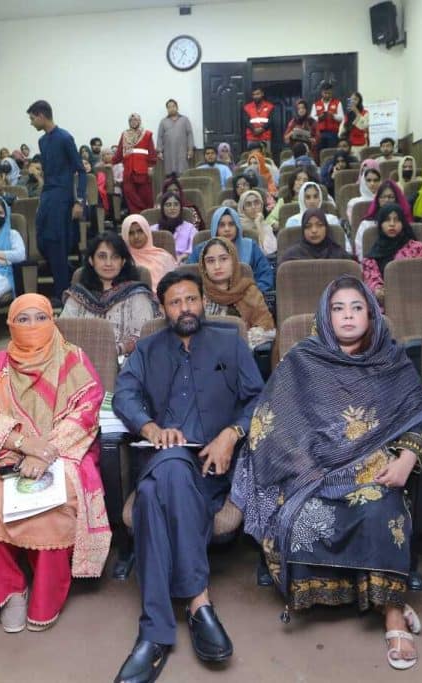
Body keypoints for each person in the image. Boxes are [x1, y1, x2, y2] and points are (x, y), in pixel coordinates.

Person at [232, 274, 422, 670]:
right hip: (310, 472)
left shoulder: (391, 361)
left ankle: (391, 611)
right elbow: (271, 424)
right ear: (326, 317)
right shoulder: (302, 361)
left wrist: (408, 458)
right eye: (338, 308)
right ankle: (336, 593)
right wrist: (307, 468)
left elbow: (421, 422)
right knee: (304, 512)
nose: (347, 316)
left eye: (357, 308)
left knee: (381, 506)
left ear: (372, 315)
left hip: (375, 471)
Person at [112, 271, 264, 682]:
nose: (186, 309)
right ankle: (199, 604)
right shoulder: (147, 348)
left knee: (153, 497)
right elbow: (124, 395)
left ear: (203, 302)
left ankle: (155, 634)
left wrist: (230, 436)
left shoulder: (229, 342)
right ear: (165, 309)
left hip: (213, 466)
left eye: (192, 300)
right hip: (165, 455)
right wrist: (150, 429)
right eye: (176, 303)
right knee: (171, 469)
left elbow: (260, 398)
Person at [0, 294, 111, 633]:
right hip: (9, 451)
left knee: (51, 505)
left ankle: (46, 596)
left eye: (39, 318)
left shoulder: (73, 358)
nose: (32, 326)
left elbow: (88, 409)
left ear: (52, 320)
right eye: (23, 319)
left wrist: (45, 452)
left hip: (67, 450)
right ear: (10, 325)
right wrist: (24, 444)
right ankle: (12, 589)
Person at [61, 232, 159, 358]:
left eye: (115, 257)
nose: (108, 263)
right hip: (80, 363)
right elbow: (63, 332)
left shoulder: (137, 295)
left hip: (126, 365)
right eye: (102, 256)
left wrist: (113, 351)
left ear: (123, 261)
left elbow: (144, 336)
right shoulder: (78, 296)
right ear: (91, 260)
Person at [27, 100, 87, 304]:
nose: (31, 122)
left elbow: (81, 170)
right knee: (43, 241)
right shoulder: (42, 142)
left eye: (32, 118)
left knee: (57, 243)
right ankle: (75, 278)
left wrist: (79, 201)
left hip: (63, 197)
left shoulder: (65, 138)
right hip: (47, 195)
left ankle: (62, 293)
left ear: (42, 116)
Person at [198, 237, 275, 348]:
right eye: (210, 261)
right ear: (204, 267)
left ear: (233, 261)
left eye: (223, 259)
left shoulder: (249, 291)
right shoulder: (196, 294)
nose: (217, 266)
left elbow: (268, 330)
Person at [188, 207, 274, 293]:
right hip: (211, 299)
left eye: (231, 224)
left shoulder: (251, 246)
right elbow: (188, 277)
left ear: (237, 226)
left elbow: (266, 277)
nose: (227, 229)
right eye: (222, 225)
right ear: (215, 228)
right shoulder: (201, 250)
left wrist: (250, 293)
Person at [362, 203, 422, 304]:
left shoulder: (417, 248)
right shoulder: (371, 258)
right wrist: (377, 291)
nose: (392, 224)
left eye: (397, 220)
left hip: (418, 300)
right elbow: (371, 283)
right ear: (380, 224)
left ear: (403, 223)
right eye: (387, 220)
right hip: (386, 305)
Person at [354, 180, 413, 260]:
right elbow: (360, 251)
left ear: (397, 199)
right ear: (377, 199)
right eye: (383, 197)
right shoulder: (366, 224)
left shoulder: (403, 223)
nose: (386, 200)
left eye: (390, 197)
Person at [112, 113, 157, 215]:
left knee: (145, 195)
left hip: (142, 170)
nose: (134, 122)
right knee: (130, 194)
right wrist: (110, 163)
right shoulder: (125, 135)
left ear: (140, 121)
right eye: (131, 120)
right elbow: (119, 152)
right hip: (128, 170)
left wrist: (150, 166)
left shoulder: (147, 134)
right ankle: (137, 216)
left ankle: (147, 215)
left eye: (136, 120)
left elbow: (151, 151)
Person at [122, 214, 177, 294]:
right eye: (131, 233)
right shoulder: (122, 260)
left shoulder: (163, 257)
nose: (136, 236)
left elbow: (175, 284)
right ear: (125, 236)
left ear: (147, 232)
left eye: (140, 231)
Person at [278, 208, 354, 265]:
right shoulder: (291, 257)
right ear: (303, 230)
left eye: (320, 225)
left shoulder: (340, 256)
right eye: (308, 226)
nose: (314, 230)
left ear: (326, 228)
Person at [151, 191, 197, 262]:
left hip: (182, 263)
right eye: (168, 205)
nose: (172, 208)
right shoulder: (153, 229)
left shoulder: (190, 228)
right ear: (162, 208)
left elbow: (194, 249)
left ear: (180, 207)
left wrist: (182, 257)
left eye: (176, 204)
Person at [156, 99, 195, 177]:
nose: (171, 108)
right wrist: (159, 151)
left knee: (183, 173)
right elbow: (160, 137)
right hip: (168, 153)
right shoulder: (163, 122)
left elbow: (190, 134)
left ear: (177, 107)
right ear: (167, 109)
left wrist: (190, 149)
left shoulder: (185, 119)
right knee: (170, 175)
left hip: (182, 151)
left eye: (173, 106)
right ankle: (172, 189)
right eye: (169, 107)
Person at [237, 189, 277, 257]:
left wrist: (258, 224)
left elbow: (269, 251)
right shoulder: (238, 227)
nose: (253, 207)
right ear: (242, 209)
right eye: (248, 204)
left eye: (256, 203)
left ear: (261, 206)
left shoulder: (266, 226)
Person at [346, 158, 382, 228]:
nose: (372, 184)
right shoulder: (354, 203)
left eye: (376, 180)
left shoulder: (385, 201)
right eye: (368, 180)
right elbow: (354, 228)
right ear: (363, 181)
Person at [313, 81, 345, 151]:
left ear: (332, 92)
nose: (327, 95)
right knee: (321, 153)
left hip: (333, 134)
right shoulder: (316, 104)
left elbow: (342, 118)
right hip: (320, 134)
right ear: (322, 92)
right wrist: (319, 117)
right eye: (325, 93)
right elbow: (312, 119)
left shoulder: (338, 103)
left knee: (332, 153)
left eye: (329, 93)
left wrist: (333, 116)